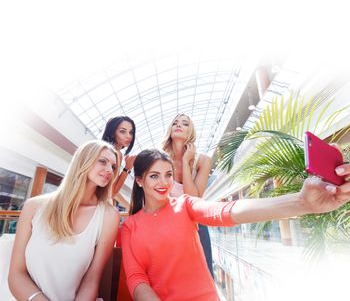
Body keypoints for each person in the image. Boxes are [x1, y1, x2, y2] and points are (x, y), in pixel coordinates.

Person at [121, 148, 350, 301]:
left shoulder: (185, 205)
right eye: (154, 176)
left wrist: (301, 203)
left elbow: (226, 212)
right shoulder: (130, 226)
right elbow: (137, 279)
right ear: (139, 180)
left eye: (168, 175)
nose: (164, 183)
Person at [8, 140, 120, 301]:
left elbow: (91, 280)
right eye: (103, 161)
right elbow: (16, 275)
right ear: (83, 161)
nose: (110, 170)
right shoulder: (33, 207)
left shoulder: (109, 216)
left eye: (113, 166)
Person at [162, 113, 214, 276]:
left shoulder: (203, 160)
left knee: (202, 273)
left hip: (196, 224)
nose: (178, 125)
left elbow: (194, 198)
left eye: (184, 123)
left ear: (190, 131)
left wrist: (186, 162)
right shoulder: (160, 159)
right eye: (175, 122)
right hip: (167, 224)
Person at [102, 116, 137, 209]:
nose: (128, 136)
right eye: (122, 131)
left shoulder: (104, 149)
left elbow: (111, 189)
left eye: (131, 132)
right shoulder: (115, 153)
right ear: (113, 132)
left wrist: (130, 207)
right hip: (98, 207)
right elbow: (112, 193)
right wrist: (127, 169)